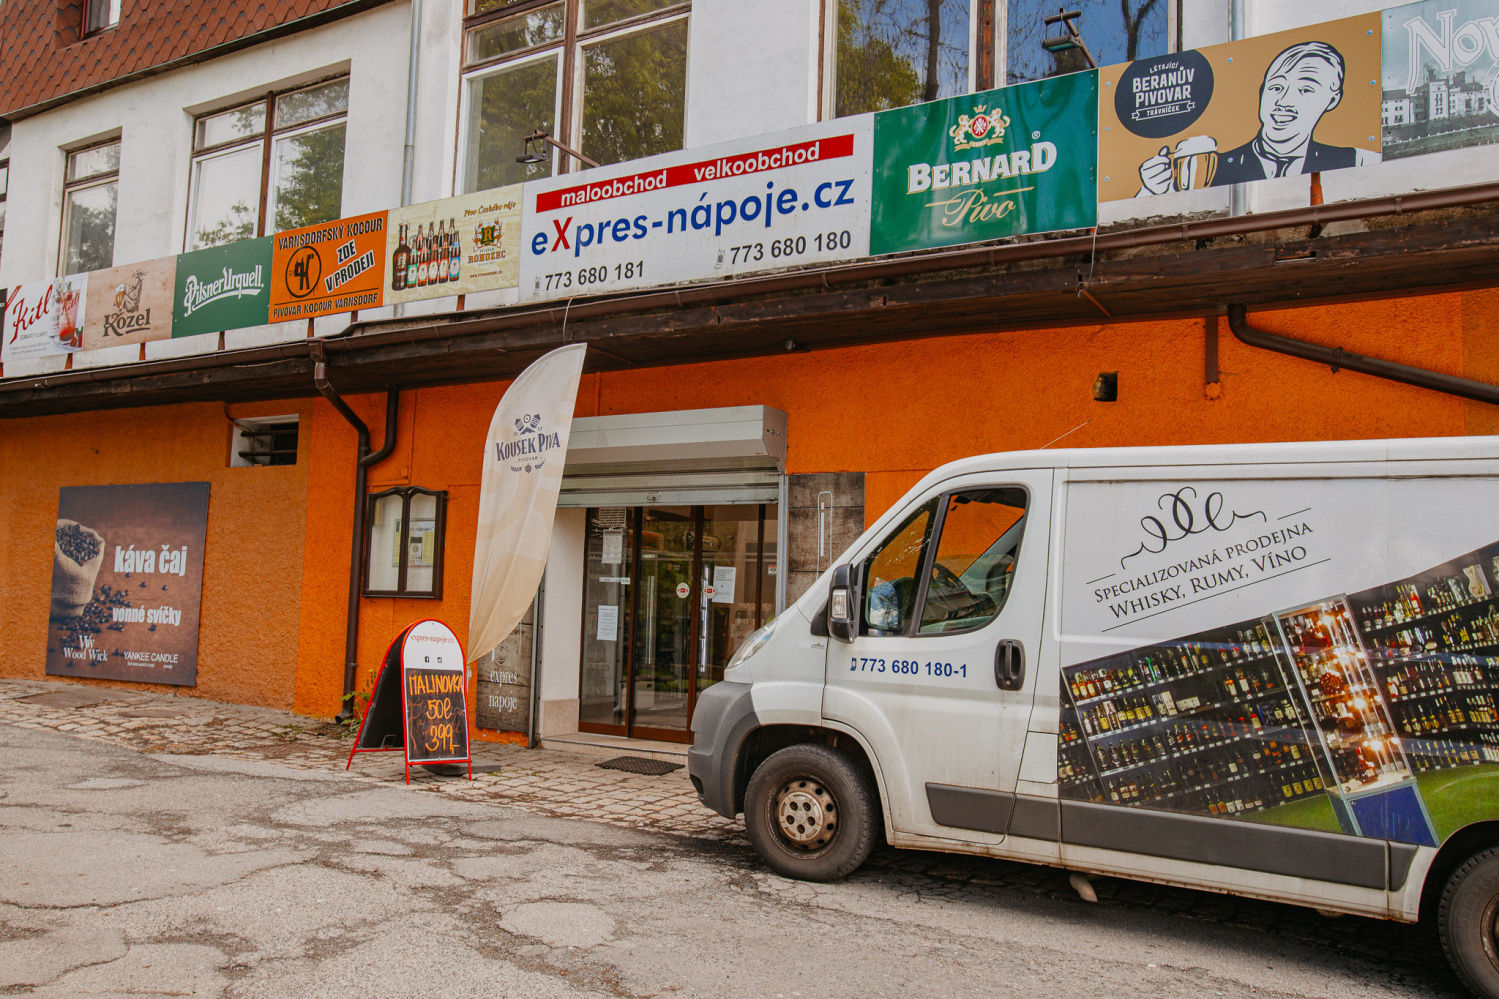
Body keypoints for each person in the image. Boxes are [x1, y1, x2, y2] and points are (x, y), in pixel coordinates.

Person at [1136, 40, 1378, 195]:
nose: (1284, 101)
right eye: (1276, 87)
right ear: (1262, 91)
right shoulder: (1209, 168)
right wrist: (1151, 187)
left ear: (1332, 100)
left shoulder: (1357, 158)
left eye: (1305, 90)